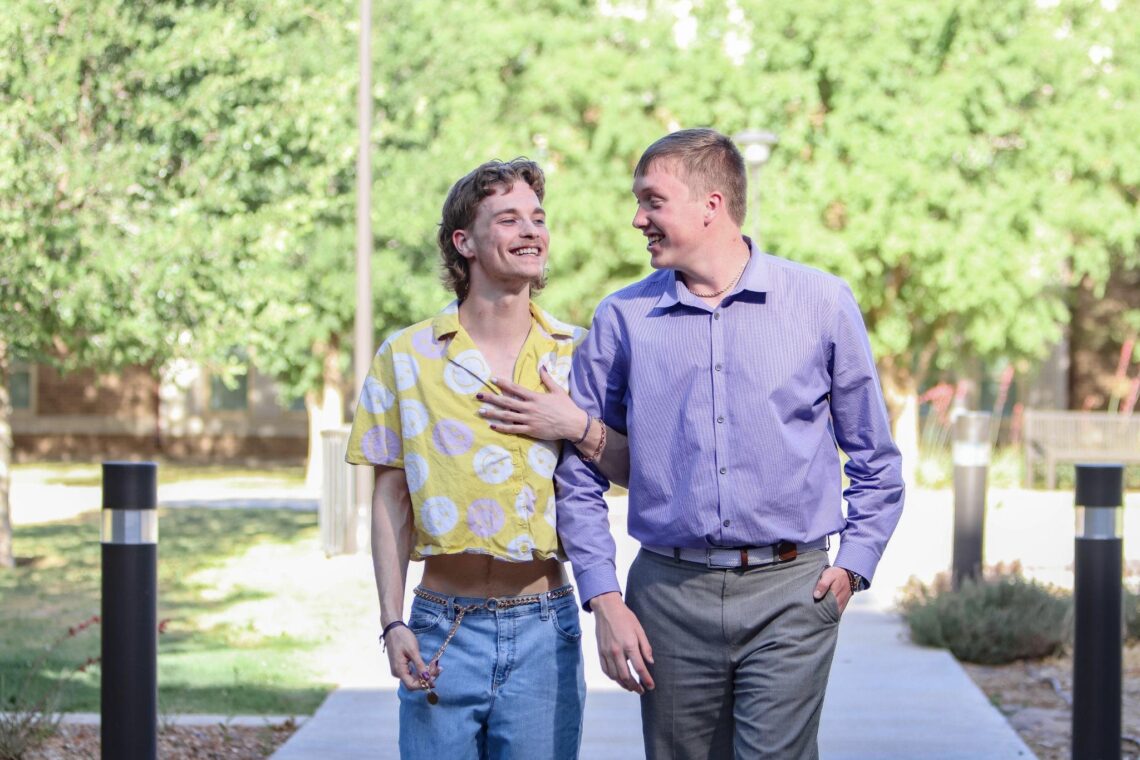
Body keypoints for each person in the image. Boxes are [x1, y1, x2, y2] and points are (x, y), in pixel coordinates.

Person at [554, 128, 906, 759]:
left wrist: (854, 564)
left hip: (791, 595)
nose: (638, 219)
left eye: (652, 201)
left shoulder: (822, 303)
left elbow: (874, 458)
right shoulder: (622, 319)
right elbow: (577, 474)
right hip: (666, 597)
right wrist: (603, 598)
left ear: (710, 205)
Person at [344, 158, 625, 759]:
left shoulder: (580, 354)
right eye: (509, 219)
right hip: (440, 627)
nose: (532, 231)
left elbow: (635, 470)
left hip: (544, 628)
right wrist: (393, 621)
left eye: (538, 218)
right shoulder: (407, 356)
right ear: (463, 242)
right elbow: (391, 499)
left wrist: (574, 424)